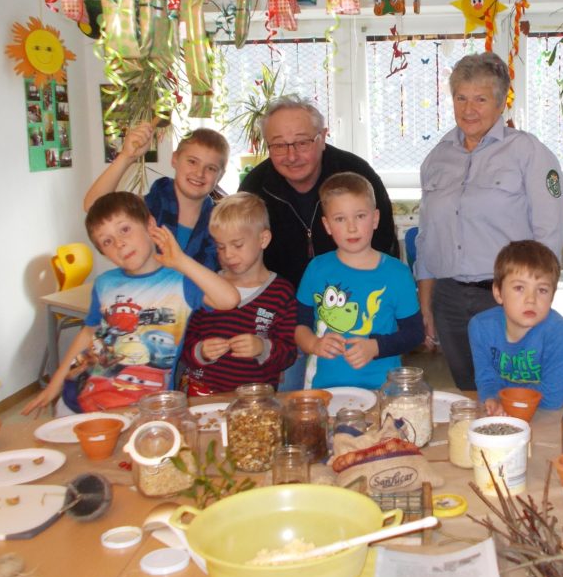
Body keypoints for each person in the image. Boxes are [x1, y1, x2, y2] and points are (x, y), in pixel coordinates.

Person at [415, 51, 563, 391]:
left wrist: (533, 295)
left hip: (505, 297)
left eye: (481, 99)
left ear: (500, 104)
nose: (469, 110)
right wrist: (426, 303)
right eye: (461, 98)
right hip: (449, 298)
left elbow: (549, 233)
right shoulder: (436, 158)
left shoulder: (529, 153)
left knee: (518, 392)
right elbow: (426, 238)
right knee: (469, 390)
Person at [23, 192, 239, 415]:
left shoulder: (180, 280)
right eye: (107, 241)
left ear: (149, 224)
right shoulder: (104, 283)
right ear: (103, 252)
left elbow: (229, 299)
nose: (119, 243)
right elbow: (89, 332)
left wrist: (181, 261)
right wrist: (55, 382)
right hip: (78, 399)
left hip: (144, 406)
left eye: (124, 229)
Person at [238, 96, 397, 289]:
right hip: (281, 303)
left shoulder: (357, 175)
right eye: (279, 145)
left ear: (322, 138)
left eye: (303, 143)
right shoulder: (254, 188)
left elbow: (384, 243)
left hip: (355, 296)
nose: (292, 156)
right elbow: (242, 257)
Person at [295, 173, 422, 392]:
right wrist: (314, 344)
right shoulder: (316, 269)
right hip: (325, 389)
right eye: (340, 219)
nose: (351, 227)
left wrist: (375, 347)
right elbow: (299, 326)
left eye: (360, 216)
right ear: (327, 225)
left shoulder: (397, 274)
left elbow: (414, 334)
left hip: (383, 390)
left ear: (375, 219)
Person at [470, 240, 563, 415]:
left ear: (553, 295)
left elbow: (552, 399)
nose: (531, 299)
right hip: (529, 401)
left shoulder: (558, 331)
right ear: (498, 292)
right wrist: (491, 398)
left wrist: (508, 401)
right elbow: (487, 379)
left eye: (542, 290)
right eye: (519, 288)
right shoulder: (480, 328)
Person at [179, 193, 297, 394]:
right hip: (203, 394)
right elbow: (184, 343)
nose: (228, 255)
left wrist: (262, 347)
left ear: (263, 239)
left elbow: (289, 354)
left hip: (256, 399)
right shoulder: (208, 287)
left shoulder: (281, 293)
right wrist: (201, 351)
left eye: (237, 245)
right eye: (220, 247)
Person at [84, 122, 229, 269]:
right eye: (192, 162)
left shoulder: (222, 223)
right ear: (175, 159)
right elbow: (93, 206)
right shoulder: (149, 206)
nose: (199, 173)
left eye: (211, 168)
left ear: (221, 175)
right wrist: (126, 157)